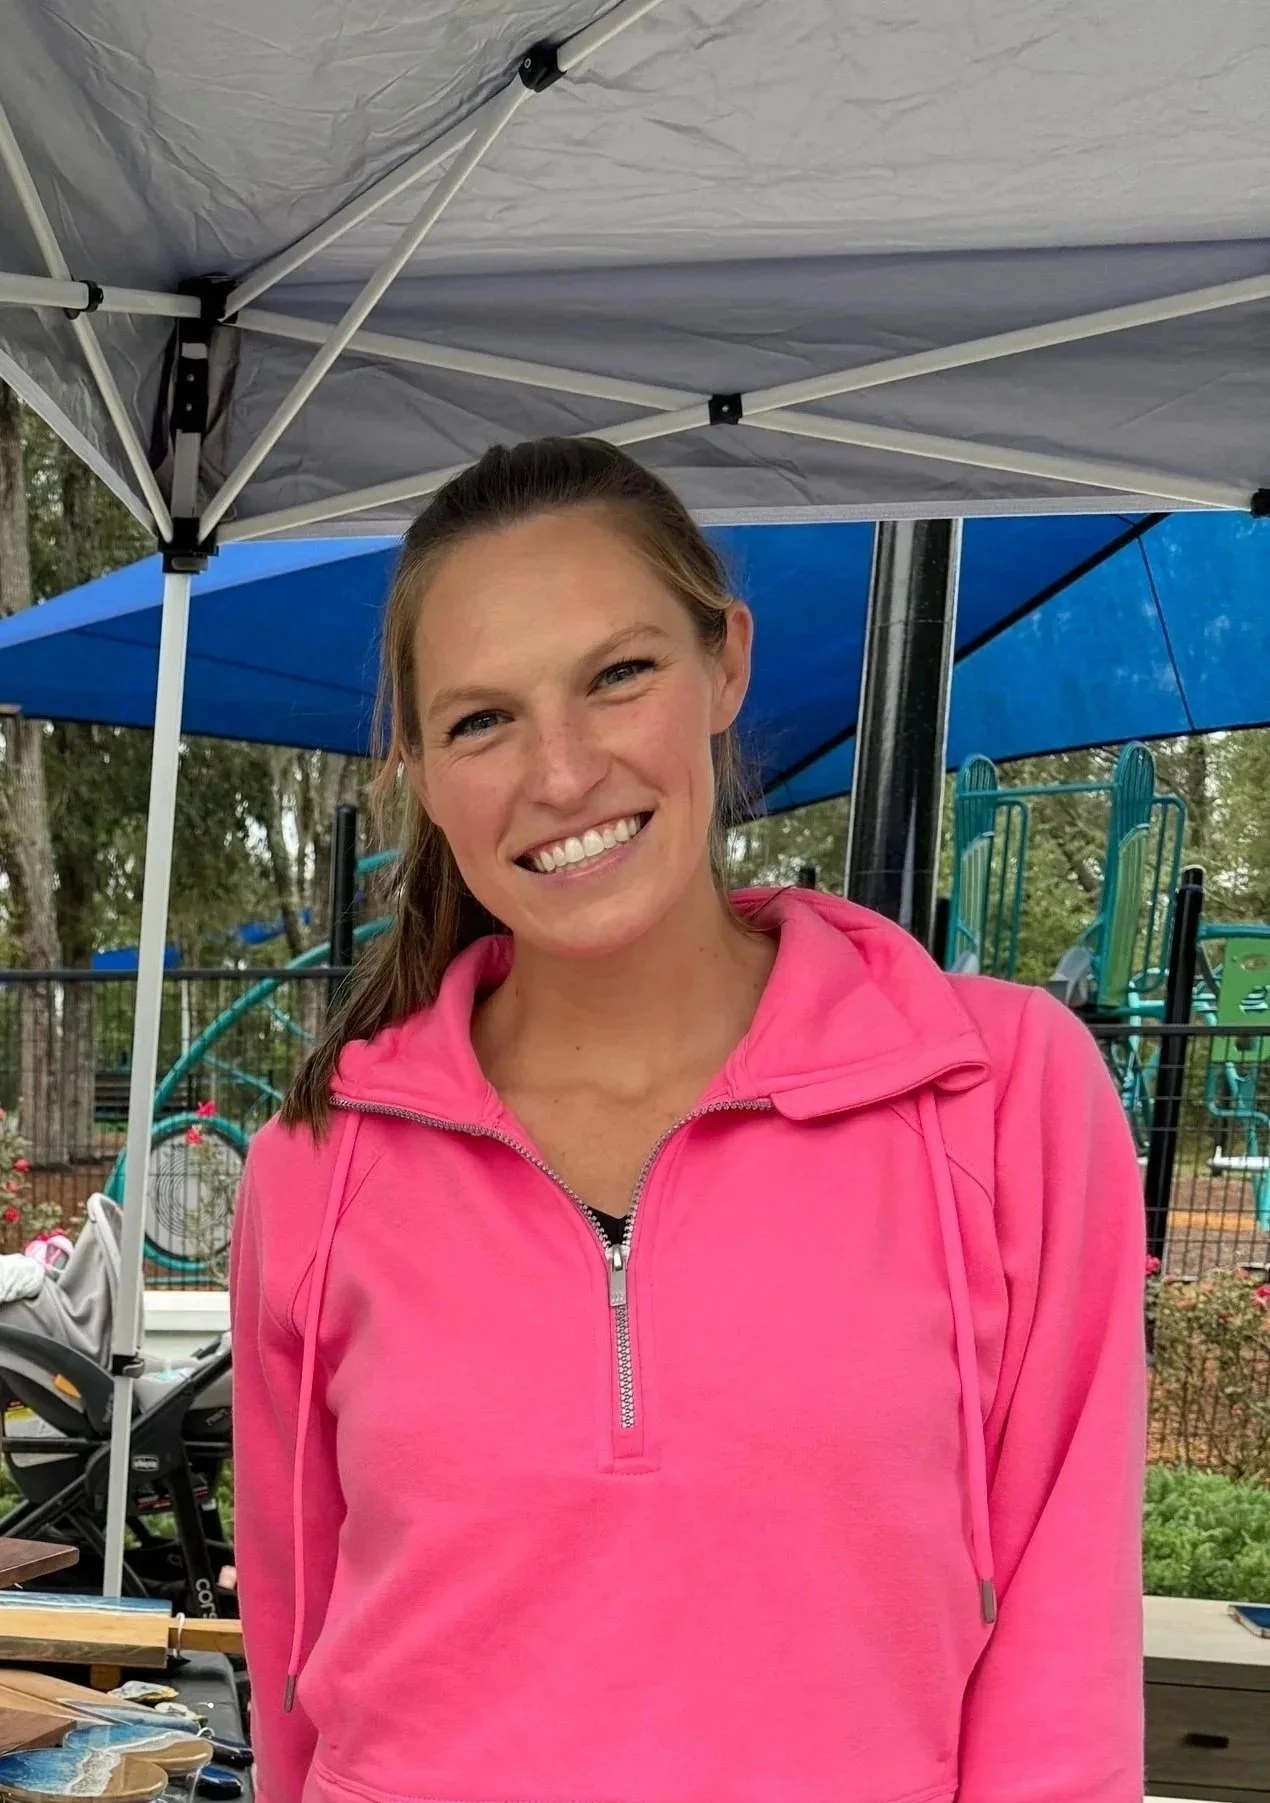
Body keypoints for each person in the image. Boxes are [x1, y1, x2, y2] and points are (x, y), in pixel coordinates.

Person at [230, 437, 1147, 1803]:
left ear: (724, 662)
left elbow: (1060, 1671)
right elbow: (296, 1663)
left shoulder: (1000, 1094)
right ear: (417, 767)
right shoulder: (318, 1163)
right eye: (481, 719)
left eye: (616, 674)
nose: (560, 769)